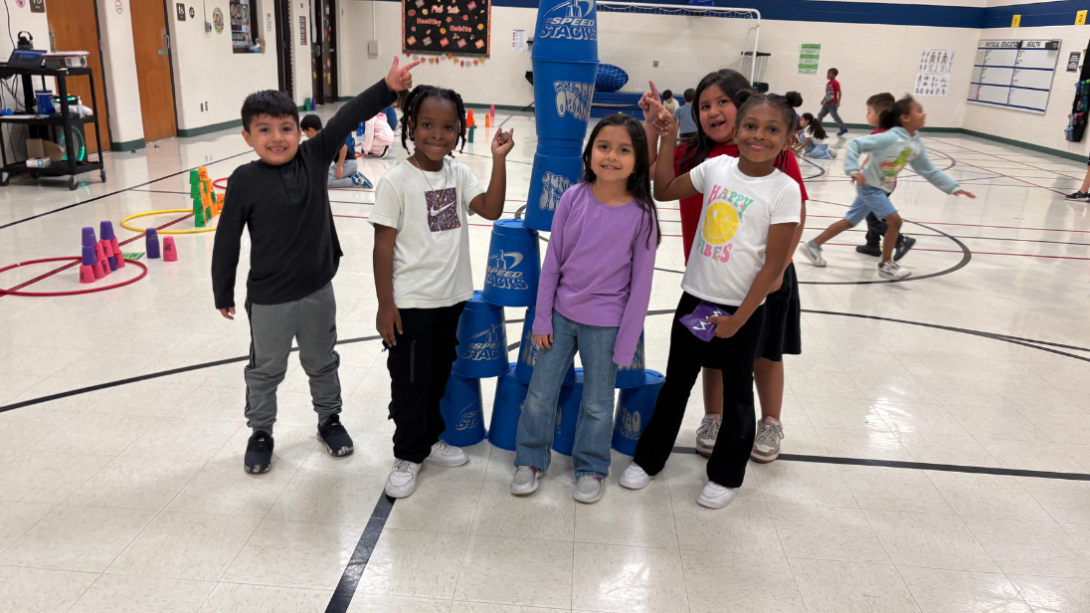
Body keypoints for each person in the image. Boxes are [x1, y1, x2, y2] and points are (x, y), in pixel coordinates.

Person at [211, 57, 419, 474]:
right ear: (247, 135)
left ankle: (329, 419)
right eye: (265, 130)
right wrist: (223, 290)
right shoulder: (243, 180)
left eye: (286, 128)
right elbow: (227, 237)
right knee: (266, 369)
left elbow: (349, 115)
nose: (277, 138)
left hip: (317, 292)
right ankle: (261, 431)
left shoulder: (315, 155)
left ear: (299, 131)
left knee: (322, 361)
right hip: (269, 299)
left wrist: (387, 87)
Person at [621, 92, 802, 509]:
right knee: (675, 386)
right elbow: (664, 189)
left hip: (744, 311)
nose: (759, 135)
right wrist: (667, 139)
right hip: (696, 300)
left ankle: (725, 475)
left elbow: (774, 264)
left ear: (788, 139)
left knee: (739, 394)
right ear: (737, 130)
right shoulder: (716, 167)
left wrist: (740, 318)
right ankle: (649, 460)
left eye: (772, 129)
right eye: (751, 126)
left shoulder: (784, 190)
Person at [371, 84, 515, 499]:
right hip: (411, 303)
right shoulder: (397, 181)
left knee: (437, 375)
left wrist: (498, 160)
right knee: (410, 381)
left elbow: (491, 208)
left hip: (451, 299)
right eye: (428, 125)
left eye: (448, 127)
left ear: (459, 131)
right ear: (411, 126)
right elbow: (383, 246)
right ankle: (407, 454)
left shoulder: (459, 174)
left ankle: (431, 439)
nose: (438, 134)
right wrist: (386, 305)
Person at [511, 114, 659, 504]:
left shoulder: (643, 216)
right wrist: (542, 318)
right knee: (540, 394)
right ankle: (529, 459)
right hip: (559, 318)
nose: (611, 156)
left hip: (606, 327)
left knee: (597, 403)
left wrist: (626, 344)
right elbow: (553, 264)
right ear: (590, 152)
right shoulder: (572, 198)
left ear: (638, 159)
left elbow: (641, 288)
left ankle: (592, 467)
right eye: (604, 147)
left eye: (624, 150)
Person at [799, 96, 976, 280]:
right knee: (895, 221)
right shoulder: (890, 137)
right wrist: (852, 169)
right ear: (905, 118)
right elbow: (855, 144)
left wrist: (953, 187)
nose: (924, 114)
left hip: (879, 186)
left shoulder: (915, 142)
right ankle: (885, 265)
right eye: (919, 110)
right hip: (870, 187)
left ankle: (812, 245)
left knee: (850, 221)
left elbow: (927, 169)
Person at [857, 93, 915, 259]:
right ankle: (872, 244)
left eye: (869, 112)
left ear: (880, 115)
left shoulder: (879, 135)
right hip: (888, 181)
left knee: (873, 217)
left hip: (876, 183)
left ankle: (900, 240)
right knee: (874, 213)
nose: (866, 115)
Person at [300, 114, 374, 189]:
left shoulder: (326, 137)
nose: (307, 136)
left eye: (306, 133)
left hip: (348, 163)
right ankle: (351, 175)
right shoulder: (320, 139)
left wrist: (339, 165)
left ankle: (354, 180)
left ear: (311, 130)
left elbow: (344, 147)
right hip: (349, 163)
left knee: (327, 182)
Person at [816, 68, 847, 137]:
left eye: (829, 74)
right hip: (827, 103)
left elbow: (839, 92)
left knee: (835, 117)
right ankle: (818, 130)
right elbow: (828, 93)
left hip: (833, 103)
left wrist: (839, 102)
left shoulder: (836, 83)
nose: (827, 75)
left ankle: (843, 128)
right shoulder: (828, 83)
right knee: (820, 115)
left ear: (834, 75)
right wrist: (823, 99)